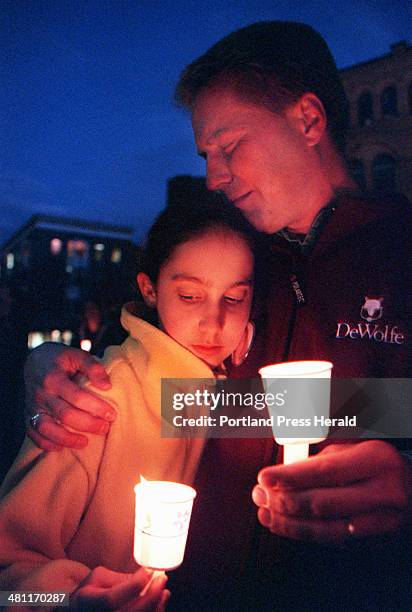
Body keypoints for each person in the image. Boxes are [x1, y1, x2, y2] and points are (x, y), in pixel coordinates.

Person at [24, 21, 411, 610]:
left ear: (308, 120)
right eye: (206, 156)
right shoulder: (236, 264)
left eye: (229, 148)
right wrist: (51, 366)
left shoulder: (400, 250)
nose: (214, 177)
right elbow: (181, 399)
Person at [0, 202, 259, 610]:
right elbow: (7, 575)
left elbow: (368, 411)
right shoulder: (101, 395)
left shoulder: (234, 391)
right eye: (190, 295)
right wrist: (64, 600)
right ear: (150, 289)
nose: (214, 322)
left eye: (235, 297)